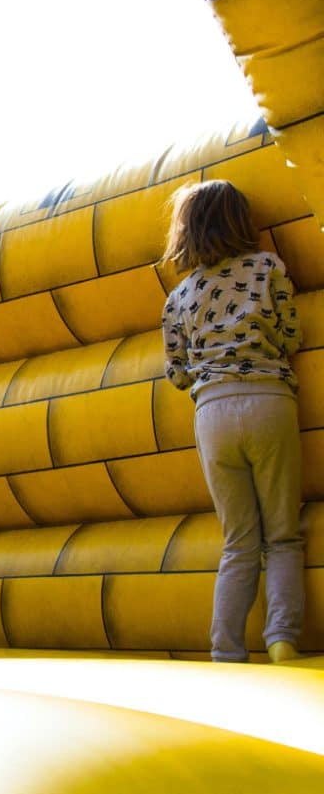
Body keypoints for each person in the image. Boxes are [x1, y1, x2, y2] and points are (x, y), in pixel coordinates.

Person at [161, 179, 304, 664]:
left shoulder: (179, 296)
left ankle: (226, 652)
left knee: (239, 540)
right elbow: (290, 334)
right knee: (282, 533)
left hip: (213, 412)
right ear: (243, 222)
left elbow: (177, 373)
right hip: (269, 399)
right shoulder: (268, 268)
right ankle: (282, 638)